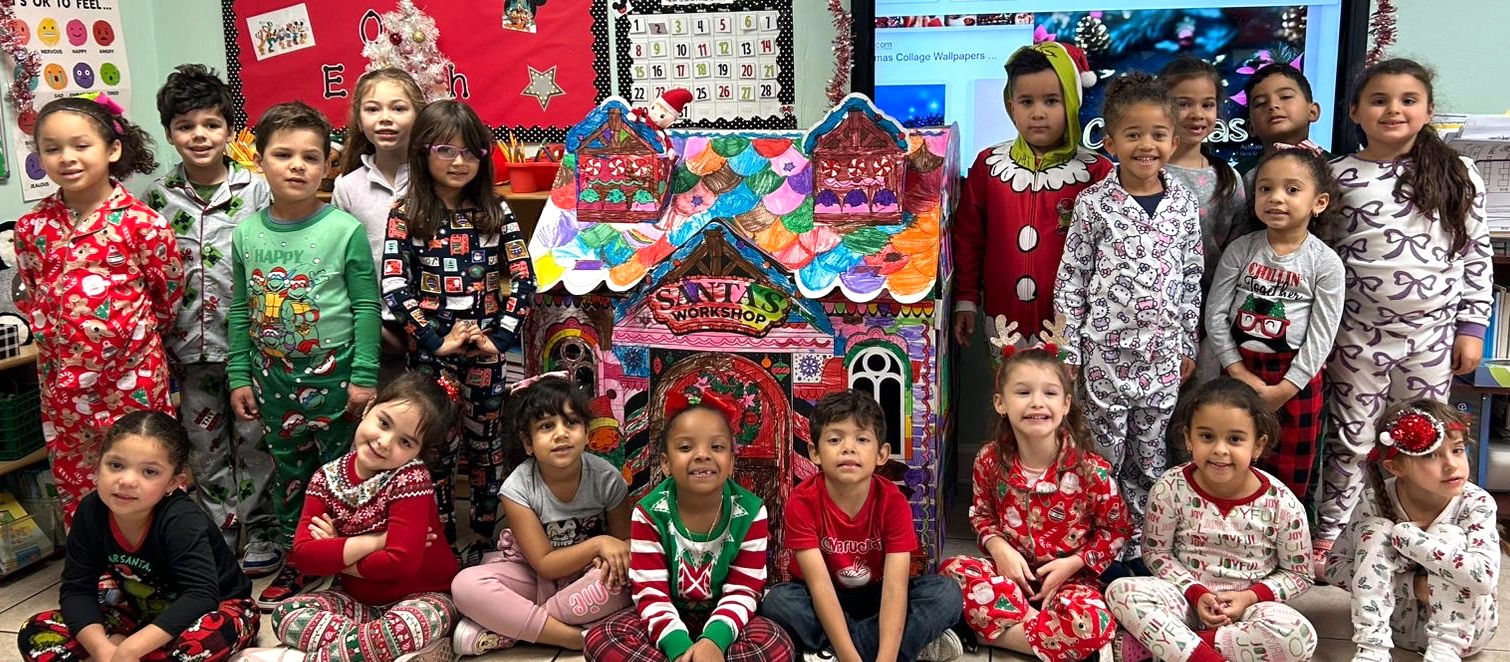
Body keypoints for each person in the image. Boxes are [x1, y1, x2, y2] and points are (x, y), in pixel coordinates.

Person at [1315, 59, 1492, 572]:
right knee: (1351, 439)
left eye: (1408, 100)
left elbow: (1475, 253)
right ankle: (1334, 537)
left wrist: (1472, 327)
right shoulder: (1338, 176)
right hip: (1356, 337)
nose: (1393, 109)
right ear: (1354, 111)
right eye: (1379, 100)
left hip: (1431, 337)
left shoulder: (1457, 173)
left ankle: (1420, 534)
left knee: (1423, 435)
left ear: (1429, 110)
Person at [226, 101, 383, 607]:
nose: (297, 166)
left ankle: (346, 558)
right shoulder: (247, 233)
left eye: (310, 157)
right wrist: (239, 374)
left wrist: (364, 374)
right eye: (283, 155)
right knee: (290, 473)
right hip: (272, 378)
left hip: (335, 375)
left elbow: (366, 305)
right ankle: (301, 558)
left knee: (343, 472)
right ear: (259, 161)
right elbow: (239, 307)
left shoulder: (343, 229)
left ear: (327, 165)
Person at [15, 93, 184, 526]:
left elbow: (166, 297)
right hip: (63, 392)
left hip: (131, 382)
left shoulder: (143, 223)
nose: (66, 158)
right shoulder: (32, 227)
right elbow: (35, 294)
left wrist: (125, 343)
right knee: (79, 484)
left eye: (80, 145)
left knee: (144, 475)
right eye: (52, 148)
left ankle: (155, 555)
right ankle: (93, 560)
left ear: (112, 149)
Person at [1053, 72, 1202, 561]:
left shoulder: (1183, 202)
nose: (1146, 145)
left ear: (1173, 141)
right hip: (1105, 355)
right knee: (1103, 454)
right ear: (1111, 141)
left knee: (1150, 453)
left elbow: (1190, 277)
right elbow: (1072, 279)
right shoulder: (1094, 204)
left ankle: (1142, 544)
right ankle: (1100, 541)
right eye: (1133, 134)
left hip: (1162, 356)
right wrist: (1069, 350)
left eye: (1158, 134)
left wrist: (1187, 342)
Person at [382, 99, 537, 552]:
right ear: (423, 152)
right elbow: (394, 283)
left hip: (486, 355)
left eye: (471, 152)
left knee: (486, 446)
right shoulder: (407, 212)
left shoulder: (496, 210)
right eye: (446, 150)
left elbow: (525, 279)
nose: (459, 162)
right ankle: (441, 541)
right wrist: (434, 340)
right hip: (431, 358)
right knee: (436, 448)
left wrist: (500, 337)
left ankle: (486, 538)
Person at [145, 63, 277, 573]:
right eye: (185, 126)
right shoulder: (156, 199)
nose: (199, 135)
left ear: (228, 130)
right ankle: (218, 533)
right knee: (203, 447)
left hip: (251, 345)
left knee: (255, 441)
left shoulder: (257, 190)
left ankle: (262, 530)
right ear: (169, 133)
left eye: (210, 124)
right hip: (187, 350)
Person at [939, 346, 1131, 662]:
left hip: (1069, 581)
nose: (1037, 402)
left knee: (1093, 621)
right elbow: (982, 514)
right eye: (1023, 392)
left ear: (1065, 404)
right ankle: (1050, 636)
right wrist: (999, 548)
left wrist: (1074, 563)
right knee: (950, 573)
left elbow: (1117, 529)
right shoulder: (989, 460)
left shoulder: (1091, 471)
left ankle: (982, 632)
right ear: (1001, 403)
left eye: (1050, 393)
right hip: (1008, 576)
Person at [16, 412, 257, 662]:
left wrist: (128, 650)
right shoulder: (90, 512)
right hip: (139, 613)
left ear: (173, 482)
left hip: (215, 609)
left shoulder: (181, 519)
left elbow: (200, 597)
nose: (127, 480)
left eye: (150, 472)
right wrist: (103, 651)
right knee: (35, 631)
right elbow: (77, 590)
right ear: (98, 464)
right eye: (116, 465)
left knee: (206, 639)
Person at [1106, 378, 1317, 662]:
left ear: (1258, 445)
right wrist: (1195, 592)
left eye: (1235, 439)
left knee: (1299, 635)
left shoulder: (1282, 503)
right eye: (1207, 436)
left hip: (1248, 610)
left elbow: (1300, 574)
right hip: (1183, 600)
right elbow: (1157, 553)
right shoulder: (1170, 487)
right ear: (1188, 439)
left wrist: (1250, 597)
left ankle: (1163, 649)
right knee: (1121, 591)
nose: (1220, 449)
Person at [583, 389, 796, 662]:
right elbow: (650, 592)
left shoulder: (751, 511)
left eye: (716, 447)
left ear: (731, 462)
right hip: (666, 612)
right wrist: (679, 649)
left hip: (724, 615)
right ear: (666, 464)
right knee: (601, 640)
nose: (702, 455)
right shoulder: (649, 513)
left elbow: (744, 588)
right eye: (685, 447)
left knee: (777, 645)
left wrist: (713, 642)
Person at [269, 373, 462, 662]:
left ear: (417, 453)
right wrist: (378, 541)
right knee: (286, 615)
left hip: (424, 597)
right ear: (370, 406)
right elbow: (305, 557)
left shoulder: (411, 476)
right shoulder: (326, 478)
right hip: (358, 603)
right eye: (384, 423)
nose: (384, 442)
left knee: (408, 625)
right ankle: (384, 649)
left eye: (405, 442)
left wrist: (337, 550)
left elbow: (399, 562)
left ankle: (319, 658)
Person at [761, 389, 964, 662]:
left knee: (946, 594)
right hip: (822, 596)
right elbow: (820, 587)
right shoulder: (802, 502)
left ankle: (827, 652)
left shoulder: (893, 502)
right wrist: (851, 658)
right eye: (835, 439)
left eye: (862, 439)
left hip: (878, 595)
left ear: (882, 454)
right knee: (777, 602)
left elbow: (895, 589)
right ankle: (904, 644)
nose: (848, 447)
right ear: (815, 452)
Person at [450, 373, 632, 655]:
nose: (561, 434)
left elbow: (623, 545)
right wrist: (598, 544)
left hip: (587, 580)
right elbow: (545, 564)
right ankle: (574, 637)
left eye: (571, 423)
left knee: (630, 574)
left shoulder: (607, 478)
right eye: (547, 426)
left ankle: (517, 626)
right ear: (528, 443)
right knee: (465, 585)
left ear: (587, 434)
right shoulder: (518, 487)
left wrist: (611, 556)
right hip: (533, 576)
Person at [1205, 143, 1345, 504]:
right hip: (1240, 369)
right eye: (1265, 188)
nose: (1276, 198)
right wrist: (1237, 370)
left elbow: (1321, 335)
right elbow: (1215, 314)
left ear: (1319, 202)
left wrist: (1286, 388)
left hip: (1295, 377)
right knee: (1233, 458)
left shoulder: (1325, 263)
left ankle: (1285, 529)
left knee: (1289, 471)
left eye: (1292, 189)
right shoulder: (1241, 249)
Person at [951, 41, 1111, 350]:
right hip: (1003, 326)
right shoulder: (988, 166)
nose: (1038, 113)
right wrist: (965, 299)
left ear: (1072, 102)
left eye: (1052, 101)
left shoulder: (1097, 172)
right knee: (1010, 383)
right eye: (1027, 102)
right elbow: (969, 237)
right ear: (1011, 106)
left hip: (1074, 331)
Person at [1325, 401, 1501, 662]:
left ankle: (1444, 653)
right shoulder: (1374, 501)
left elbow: (1484, 577)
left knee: (1448, 534)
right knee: (1376, 531)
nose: (1451, 464)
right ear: (1395, 468)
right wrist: (1412, 586)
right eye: (1430, 455)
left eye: (1457, 450)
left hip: (1467, 634)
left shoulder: (1476, 502)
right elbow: (1334, 569)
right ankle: (1372, 651)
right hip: (1397, 630)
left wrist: (1410, 540)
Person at [332, 67, 425, 359]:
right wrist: (372, 327)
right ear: (359, 120)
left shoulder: (435, 179)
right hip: (375, 323)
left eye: (398, 108)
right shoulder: (347, 187)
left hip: (433, 319)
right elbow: (340, 263)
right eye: (373, 109)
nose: (385, 118)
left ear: (419, 116)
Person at [1157, 56, 1247, 301]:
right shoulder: (1143, 172)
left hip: (1210, 306)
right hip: (1145, 308)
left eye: (1207, 105)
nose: (1197, 114)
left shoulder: (1227, 179)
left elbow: (1237, 251)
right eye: (1183, 104)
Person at [1237, 63, 1325, 184]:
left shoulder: (1339, 167)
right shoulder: (1236, 177)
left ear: (1312, 112)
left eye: (1285, 97)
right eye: (1261, 103)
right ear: (1250, 127)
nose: (1273, 105)